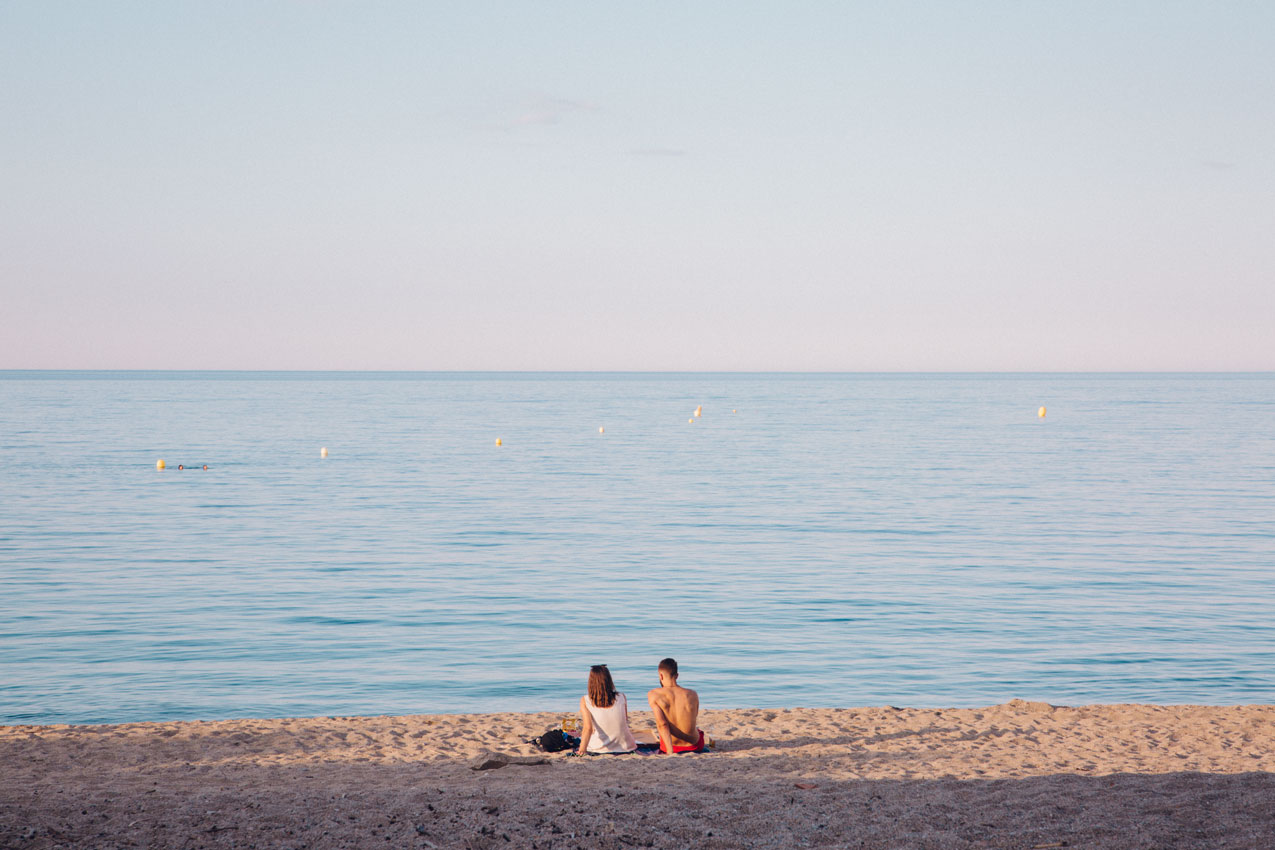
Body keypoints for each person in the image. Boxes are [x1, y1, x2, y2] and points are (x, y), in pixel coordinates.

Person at [647, 657, 704, 754]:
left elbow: (662, 724)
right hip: (694, 745)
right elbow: (693, 717)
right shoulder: (692, 694)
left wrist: (670, 751)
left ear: (661, 676)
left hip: (672, 746)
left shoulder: (654, 694)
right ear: (677, 676)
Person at [576, 665, 637, 755]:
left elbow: (587, 728)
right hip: (627, 746)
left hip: (599, 748)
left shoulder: (585, 700)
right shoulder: (621, 697)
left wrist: (581, 750)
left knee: (578, 739)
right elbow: (624, 720)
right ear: (609, 680)